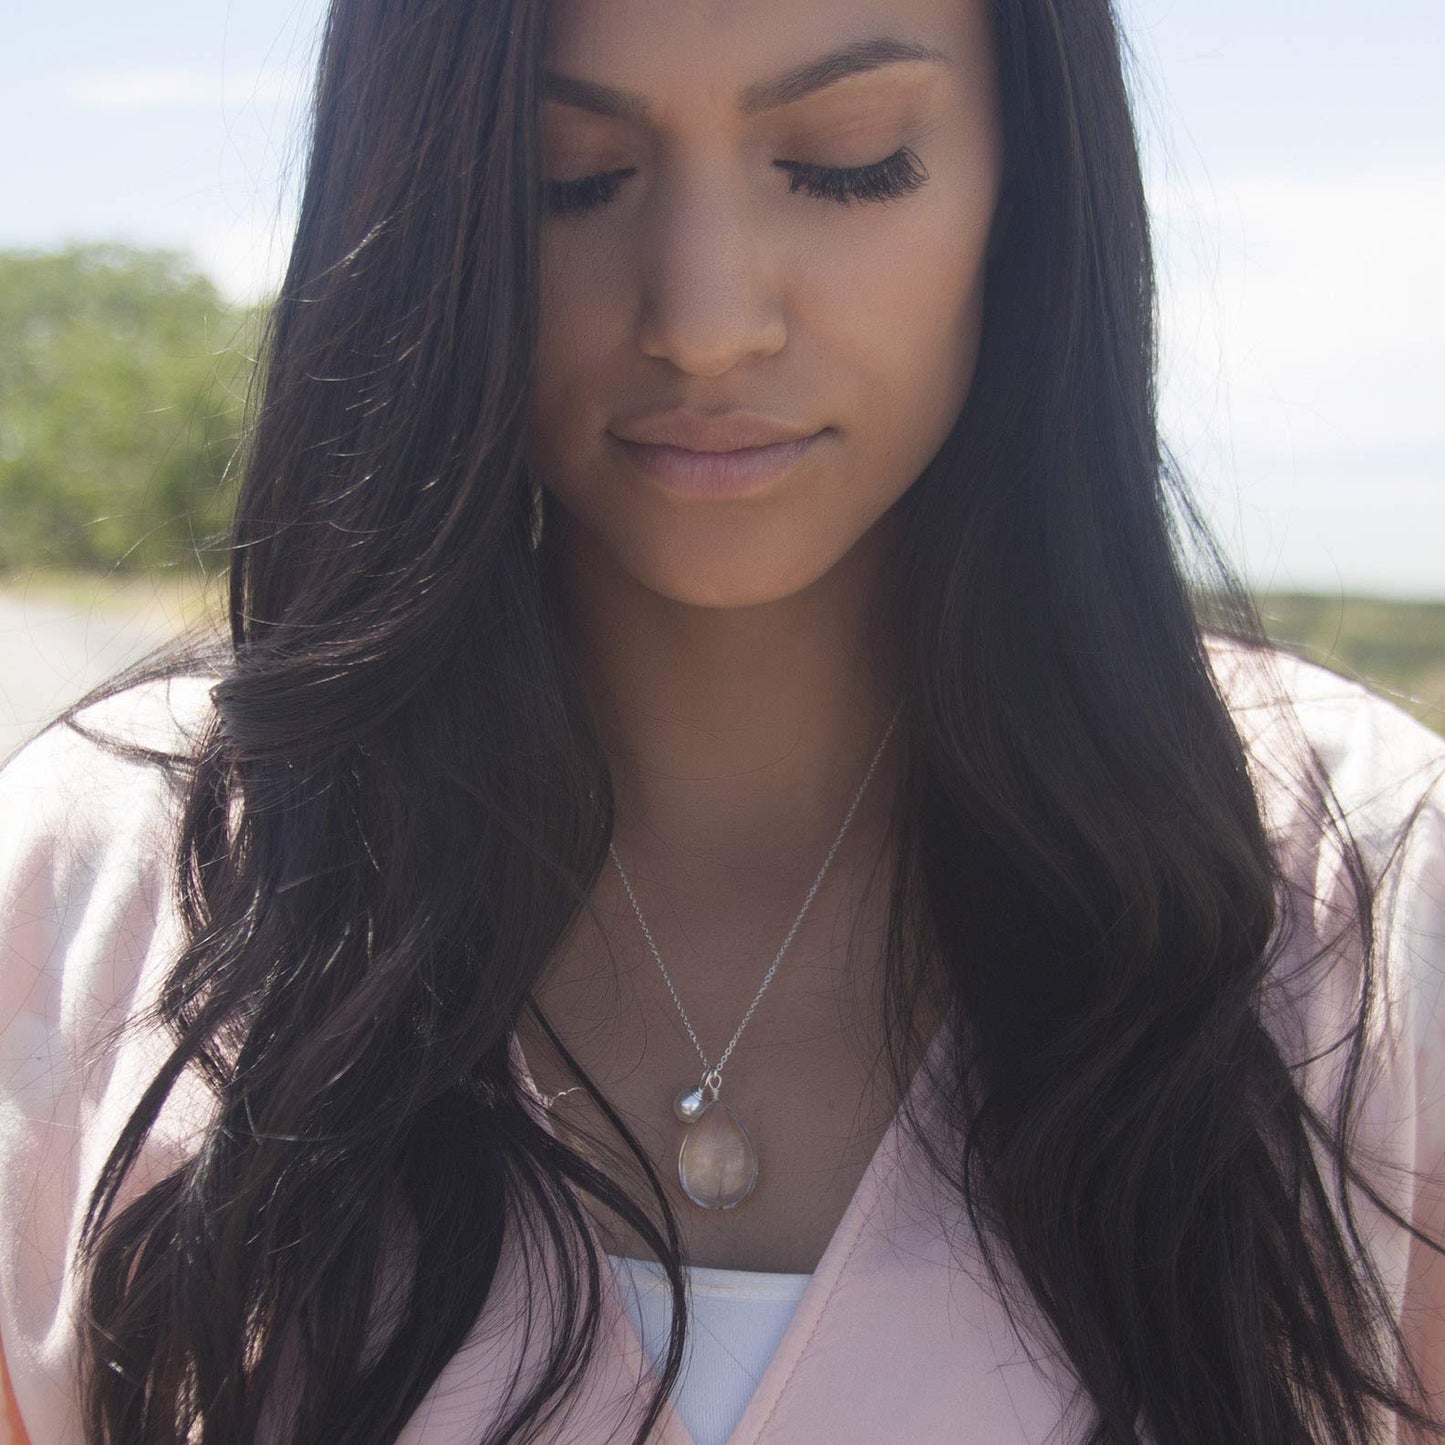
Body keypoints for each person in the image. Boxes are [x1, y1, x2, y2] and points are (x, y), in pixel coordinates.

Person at [1, 0, 1443, 1439]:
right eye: (562, 175)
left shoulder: (1367, 899)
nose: (702, 322)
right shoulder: (98, 885)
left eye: (846, 162)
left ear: (1032, 176)